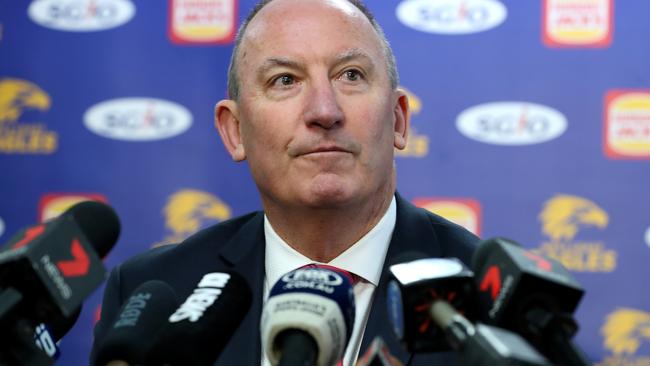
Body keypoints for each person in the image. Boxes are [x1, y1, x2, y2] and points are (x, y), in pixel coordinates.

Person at [91, 0, 479, 365]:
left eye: (351, 75)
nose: (324, 111)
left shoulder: (495, 297)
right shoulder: (158, 292)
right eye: (285, 80)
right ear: (235, 131)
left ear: (398, 119)